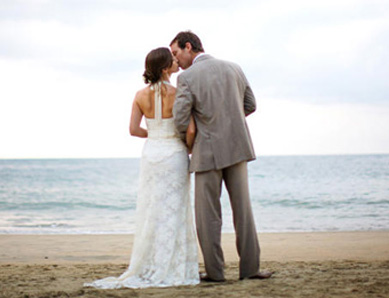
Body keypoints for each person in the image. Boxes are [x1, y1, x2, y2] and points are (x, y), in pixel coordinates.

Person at [84, 47, 199, 289]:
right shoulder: (178, 92)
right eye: (173, 60)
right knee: (175, 210)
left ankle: (148, 263)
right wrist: (186, 146)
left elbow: (134, 130)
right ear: (166, 67)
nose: (177, 62)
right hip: (174, 153)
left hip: (152, 153)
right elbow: (190, 129)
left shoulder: (139, 95)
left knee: (152, 210)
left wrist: (156, 134)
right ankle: (173, 265)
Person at [171, 31, 273, 282]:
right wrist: (230, 122)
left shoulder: (187, 77)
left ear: (188, 47)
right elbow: (250, 104)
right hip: (238, 147)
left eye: (176, 53)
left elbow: (180, 119)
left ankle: (215, 273)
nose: (176, 61)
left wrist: (196, 134)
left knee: (208, 217)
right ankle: (250, 269)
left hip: (207, 151)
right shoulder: (234, 68)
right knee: (244, 212)